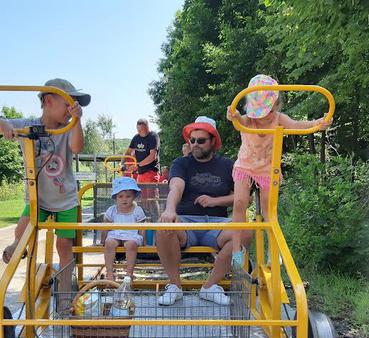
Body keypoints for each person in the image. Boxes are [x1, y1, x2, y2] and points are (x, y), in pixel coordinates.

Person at [226, 74, 331, 265]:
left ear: (274, 105)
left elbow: (298, 125)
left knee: (269, 211)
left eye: (265, 110)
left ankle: (272, 252)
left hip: (267, 169)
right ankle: (236, 250)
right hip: (245, 166)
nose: (263, 115)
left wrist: (318, 123)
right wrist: (233, 116)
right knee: (240, 203)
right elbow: (239, 121)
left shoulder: (279, 118)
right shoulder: (249, 119)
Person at [0, 78, 90, 267]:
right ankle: (17, 245)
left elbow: (77, 148)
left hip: (65, 200)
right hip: (38, 199)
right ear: (48, 101)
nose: (70, 111)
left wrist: (77, 121)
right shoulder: (27, 126)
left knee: (64, 246)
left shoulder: (68, 128)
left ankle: (65, 293)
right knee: (23, 229)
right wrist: (2, 123)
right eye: (68, 105)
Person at [156, 116, 254, 306]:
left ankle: (210, 286)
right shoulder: (181, 163)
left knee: (245, 232)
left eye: (200, 141)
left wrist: (215, 200)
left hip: (217, 224)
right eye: (191, 140)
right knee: (164, 226)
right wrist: (170, 210)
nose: (195, 144)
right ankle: (175, 286)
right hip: (186, 221)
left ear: (213, 142)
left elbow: (245, 198)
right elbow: (176, 187)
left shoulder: (229, 165)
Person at [101, 177, 146, 281]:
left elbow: (142, 227)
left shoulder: (137, 210)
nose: (124, 199)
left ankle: (129, 273)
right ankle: (109, 272)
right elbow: (105, 226)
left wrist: (143, 241)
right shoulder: (112, 210)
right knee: (109, 243)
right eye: (120, 196)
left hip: (131, 235)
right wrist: (102, 240)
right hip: (116, 234)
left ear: (134, 196)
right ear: (115, 197)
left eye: (128, 196)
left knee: (131, 244)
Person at [123, 118, 160, 183]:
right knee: (141, 193)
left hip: (151, 172)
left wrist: (137, 165)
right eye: (139, 130)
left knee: (151, 193)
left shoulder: (153, 137)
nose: (140, 132)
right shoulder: (136, 138)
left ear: (147, 127)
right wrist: (123, 162)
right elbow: (128, 152)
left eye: (142, 130)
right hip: (140, 173)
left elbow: (152, 156)